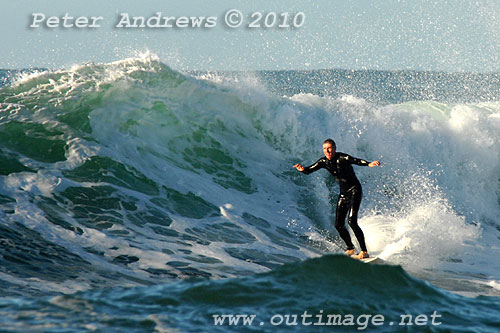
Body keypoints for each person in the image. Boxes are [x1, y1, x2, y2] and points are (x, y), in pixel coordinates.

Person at [293, 139, 380, 259]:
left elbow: (357, 160)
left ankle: (364, 251)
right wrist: (302, 169)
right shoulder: (323, 161)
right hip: (343, 194)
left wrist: (369, 163)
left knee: (352, 221)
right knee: (338, 224)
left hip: (355, 190)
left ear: (334, 148)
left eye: (329, 148)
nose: (327, 151)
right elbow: (309, 170)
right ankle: (350, 248)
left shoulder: (342, 157)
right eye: (325, 149)